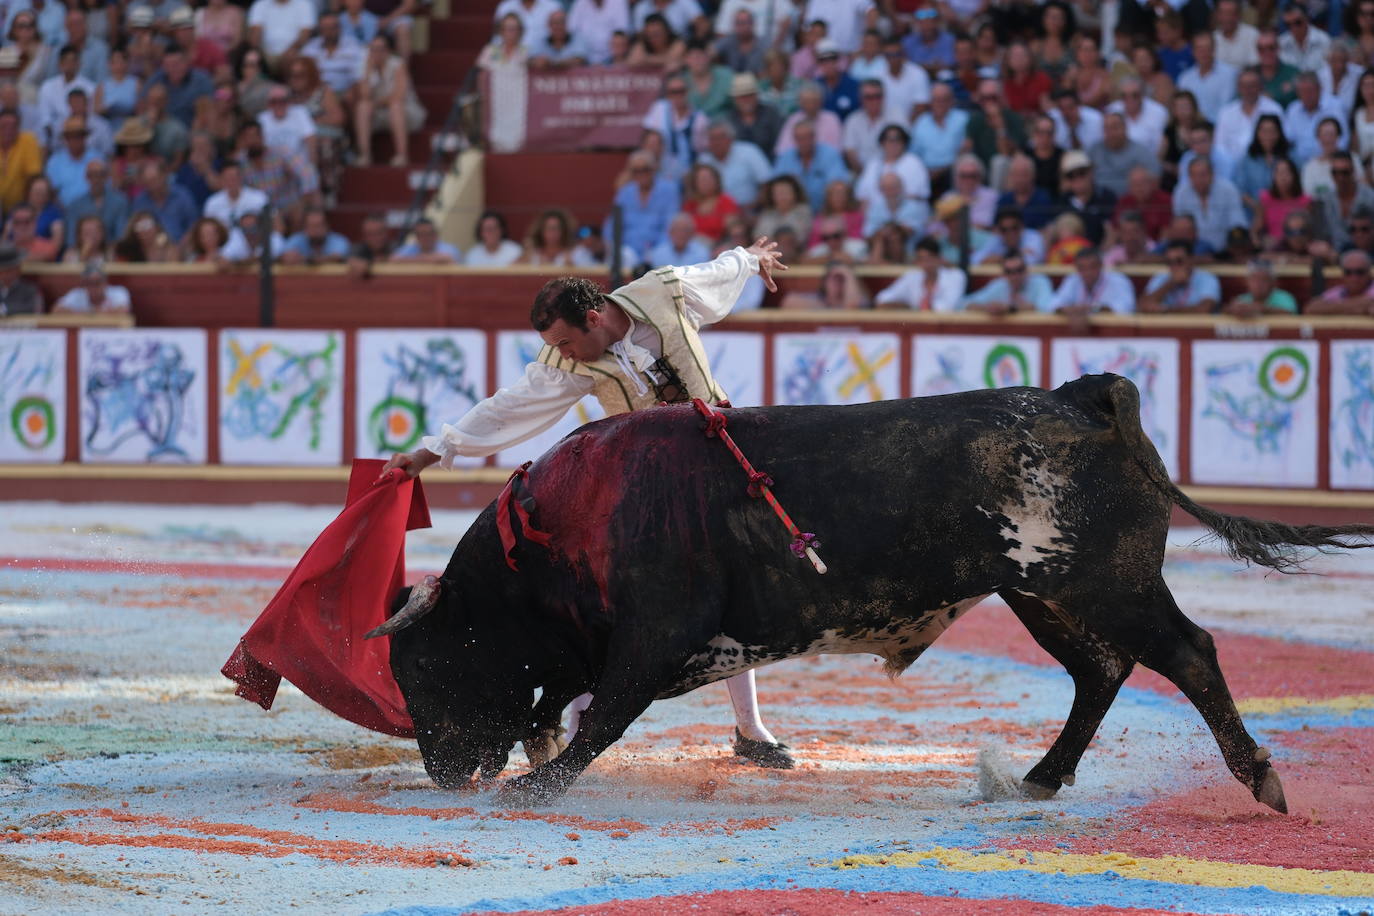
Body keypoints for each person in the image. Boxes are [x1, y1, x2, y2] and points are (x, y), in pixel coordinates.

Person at [381, 238, 794, 768]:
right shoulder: (568, 362)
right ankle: (576, 727)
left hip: (716, 462)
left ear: (595, 318)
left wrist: (750, 260)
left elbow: (720, 271)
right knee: (599, 599)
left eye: (566, 341)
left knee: (728, 588)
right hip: (645, 485)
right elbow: (508, 407)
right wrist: (431, 451)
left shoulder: (665, 291)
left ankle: (750, 728)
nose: (564, 353)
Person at [1172, 157, 1246, 253]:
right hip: (1193, 250)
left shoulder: (1228, 190)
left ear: (1212, 174)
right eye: (1194, 175)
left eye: (1202, 175)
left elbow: (1237, 223)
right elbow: (1179, 226)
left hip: (1224, 250)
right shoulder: (1181, 193)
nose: (1198, 179)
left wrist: (1232, 246)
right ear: (1189, 177)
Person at [772, 118, 850, 209]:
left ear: (814, 137)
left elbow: (838, 183)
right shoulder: (785, 158)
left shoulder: (830, 154)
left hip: (826, 210)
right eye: (799, 138)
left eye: (807, 137)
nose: (803, 142)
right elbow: (776, 185)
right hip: (794, 211)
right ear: (794, 139)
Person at [872, 236, 966, 310]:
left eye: (929, 258)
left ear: (939, 259)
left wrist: (912, 307)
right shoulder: (912, 276)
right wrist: (903, 306)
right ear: (916, 261)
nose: (926, 263)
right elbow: (882, 298)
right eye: (921, 259)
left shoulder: (955, 276)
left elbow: (947, 307)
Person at [1215, 68, 1285, 161]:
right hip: (1233, 164)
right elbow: (1220, 146)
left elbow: (1282, 140)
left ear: (1260, 86)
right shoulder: (1226, 113)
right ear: (1238, 88)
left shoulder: (1274, 109)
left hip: (1264, 163)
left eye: (1252, 85)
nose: (1248, 90)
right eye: (1244, 86)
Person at [697, 120, 770, 209]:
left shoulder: (749, 152)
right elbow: (694, 189)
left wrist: (754, 206)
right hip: (714, 211)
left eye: (721, 137)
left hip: (750, 209)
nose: (716, 142)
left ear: (731, 139)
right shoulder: (703, 160)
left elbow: (767, 183)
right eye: (712, 138)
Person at [1087, 112, 1159, 198]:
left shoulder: (1140, 152)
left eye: (1115, 128)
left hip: (1130, 201)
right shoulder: (1094, 150)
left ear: (1125, 128)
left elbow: (1155, 178)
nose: (1110, 133)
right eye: (1106, 129)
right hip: (1098, 201)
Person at [1138, 239, 1222, 313]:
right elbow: (1142, 305)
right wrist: (1171, 283)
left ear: (1191, 260)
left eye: (1179, 261)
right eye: (1169, 262)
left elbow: (1204, 309)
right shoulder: (1162, 277)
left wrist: (1166, 310)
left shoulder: (1207, 278)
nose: (1174, 266)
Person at [1048, 246, 1135, 313]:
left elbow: (1126, 308)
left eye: (1092, 267)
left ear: (1101, 265)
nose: (1088, 272)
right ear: (1077, 268)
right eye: (1082, 268)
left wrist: (1092, 309)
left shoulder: (1118, 280)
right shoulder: (1073, 279)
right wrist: (1070, 311)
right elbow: (1052, 305)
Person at [1284, 72, 1345, 167]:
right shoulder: (1293, 109)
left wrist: (1324, 159)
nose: (1306, 95)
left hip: (1329, 162)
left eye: (1310, 91)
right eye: (1302, 91)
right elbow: (1288, 139)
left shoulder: (1335, 106)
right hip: (1298, 165)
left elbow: (1343, 140)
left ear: (1319, 89)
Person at [962, 251, 1054, 314]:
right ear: (1004, 274)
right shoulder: (999, 285)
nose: (1015, 276)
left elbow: (1047, 309)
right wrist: (988, 308)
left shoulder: (1040, 282)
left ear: (1026, 270)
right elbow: (965, 304)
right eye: (1009, 272)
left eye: (1019, 270)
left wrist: (1011, 308)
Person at [1176, 31, 1236, 124]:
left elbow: (1228, 107)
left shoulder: (1230, 74)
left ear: (1214, 49)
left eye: (1208, 48)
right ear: (1193, 51)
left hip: (1220, 126)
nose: (1204, 53)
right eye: (1200, 49)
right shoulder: (1184, 78)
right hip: (1192, 127)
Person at [726, 72, 783, 155]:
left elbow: (780, 144)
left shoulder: (771, 114)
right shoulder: (728, 119)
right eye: (742, 96)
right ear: (735, 99)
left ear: (756, 95)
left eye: (749, 95)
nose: (746, 100)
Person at [0, 107, 43, 213]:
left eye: (13, 126)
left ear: (19, 127)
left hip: (22, 205)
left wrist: (23, 207)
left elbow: (34, 176)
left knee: (38, 186)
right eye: (4, 126)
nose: (8, 130)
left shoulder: (28, 140)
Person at [1306, 248, 1374, 314]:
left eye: (1360, 272)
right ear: (1343, 275)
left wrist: (1332, 307)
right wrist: (1358, 306)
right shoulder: (1340, 291)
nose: (1354, 277)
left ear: (1369, 274)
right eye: (1348, 272)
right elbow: (1310, 308)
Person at [1222, 259, 1299, 316]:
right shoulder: (1242, 299)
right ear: (1247, 282)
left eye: (1264, 280)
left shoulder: (1284, 297)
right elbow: (1225, 311)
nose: (1258, 284)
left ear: (1272, 283)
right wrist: (1232, 309)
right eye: (1254, 279)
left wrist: (1259, 309)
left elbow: (1289, 313)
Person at [779, 260, 868, 309]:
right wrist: (826, 308)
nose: (838, 282)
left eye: (842, 279)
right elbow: (788, 301)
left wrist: (848, 274)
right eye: (834, 278)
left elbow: (852, 306)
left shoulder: (857, 297)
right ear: (825, 281)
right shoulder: (818, 299)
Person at [53, 261, 131, 313]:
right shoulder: (77, 294)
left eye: (97, 283)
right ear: (84, 285)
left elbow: (123, 310)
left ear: (105, 283)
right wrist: (96, 313)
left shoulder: (118, 292)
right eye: (90, 283)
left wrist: (86, 313)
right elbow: (56, 310)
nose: (94, 287)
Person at [973, 207, 1044, 264]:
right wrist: (1018, 253)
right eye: (1004, 229)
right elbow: (974, 259)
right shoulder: (996, 239)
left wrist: (997, 258)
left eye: (1014, 228)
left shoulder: (1033, 236)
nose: (1010, 233)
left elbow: (1032, 261)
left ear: (1022, 226)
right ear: (999, 230)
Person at [280, 206, 349, 263]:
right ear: (304, 228)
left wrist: (306, 260)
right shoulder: (297, 239)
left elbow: (336, 258)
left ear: (327, 226)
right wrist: (288, 257)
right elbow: (284, 256)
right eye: (311, 226)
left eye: (319, 225)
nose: (316, 230)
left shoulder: (339, 241)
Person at [392, 218, 461, 263]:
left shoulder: (448, 248)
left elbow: (449, 259)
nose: (425, 238)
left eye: (429, 234)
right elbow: (393, 259)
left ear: (436, 235)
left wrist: (411, 260)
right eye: (421, 234)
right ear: (416, 237)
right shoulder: (410, 248)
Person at [0, 243, 42, 315]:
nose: (4, 274)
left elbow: (35, 308)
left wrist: (4, 309)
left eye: (8, 270)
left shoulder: (29, 289)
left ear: (17, 269)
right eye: (2, 271)